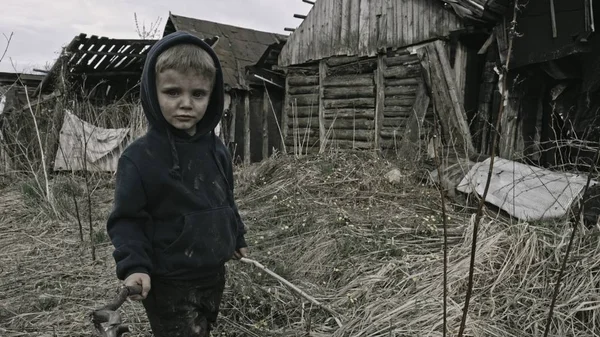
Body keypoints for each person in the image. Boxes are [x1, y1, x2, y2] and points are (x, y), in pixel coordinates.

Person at [106, 31, 248, 337]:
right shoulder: (139, 158)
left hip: (212, 272)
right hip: (169, 279)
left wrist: (235, 235)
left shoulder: (217, 149)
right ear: (152, 92)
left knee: (203, 328)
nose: (186, 104)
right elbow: (126, 220)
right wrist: (135, 266)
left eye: (198, 94)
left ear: (212, 95)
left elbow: (225, 199)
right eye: (172, 92)